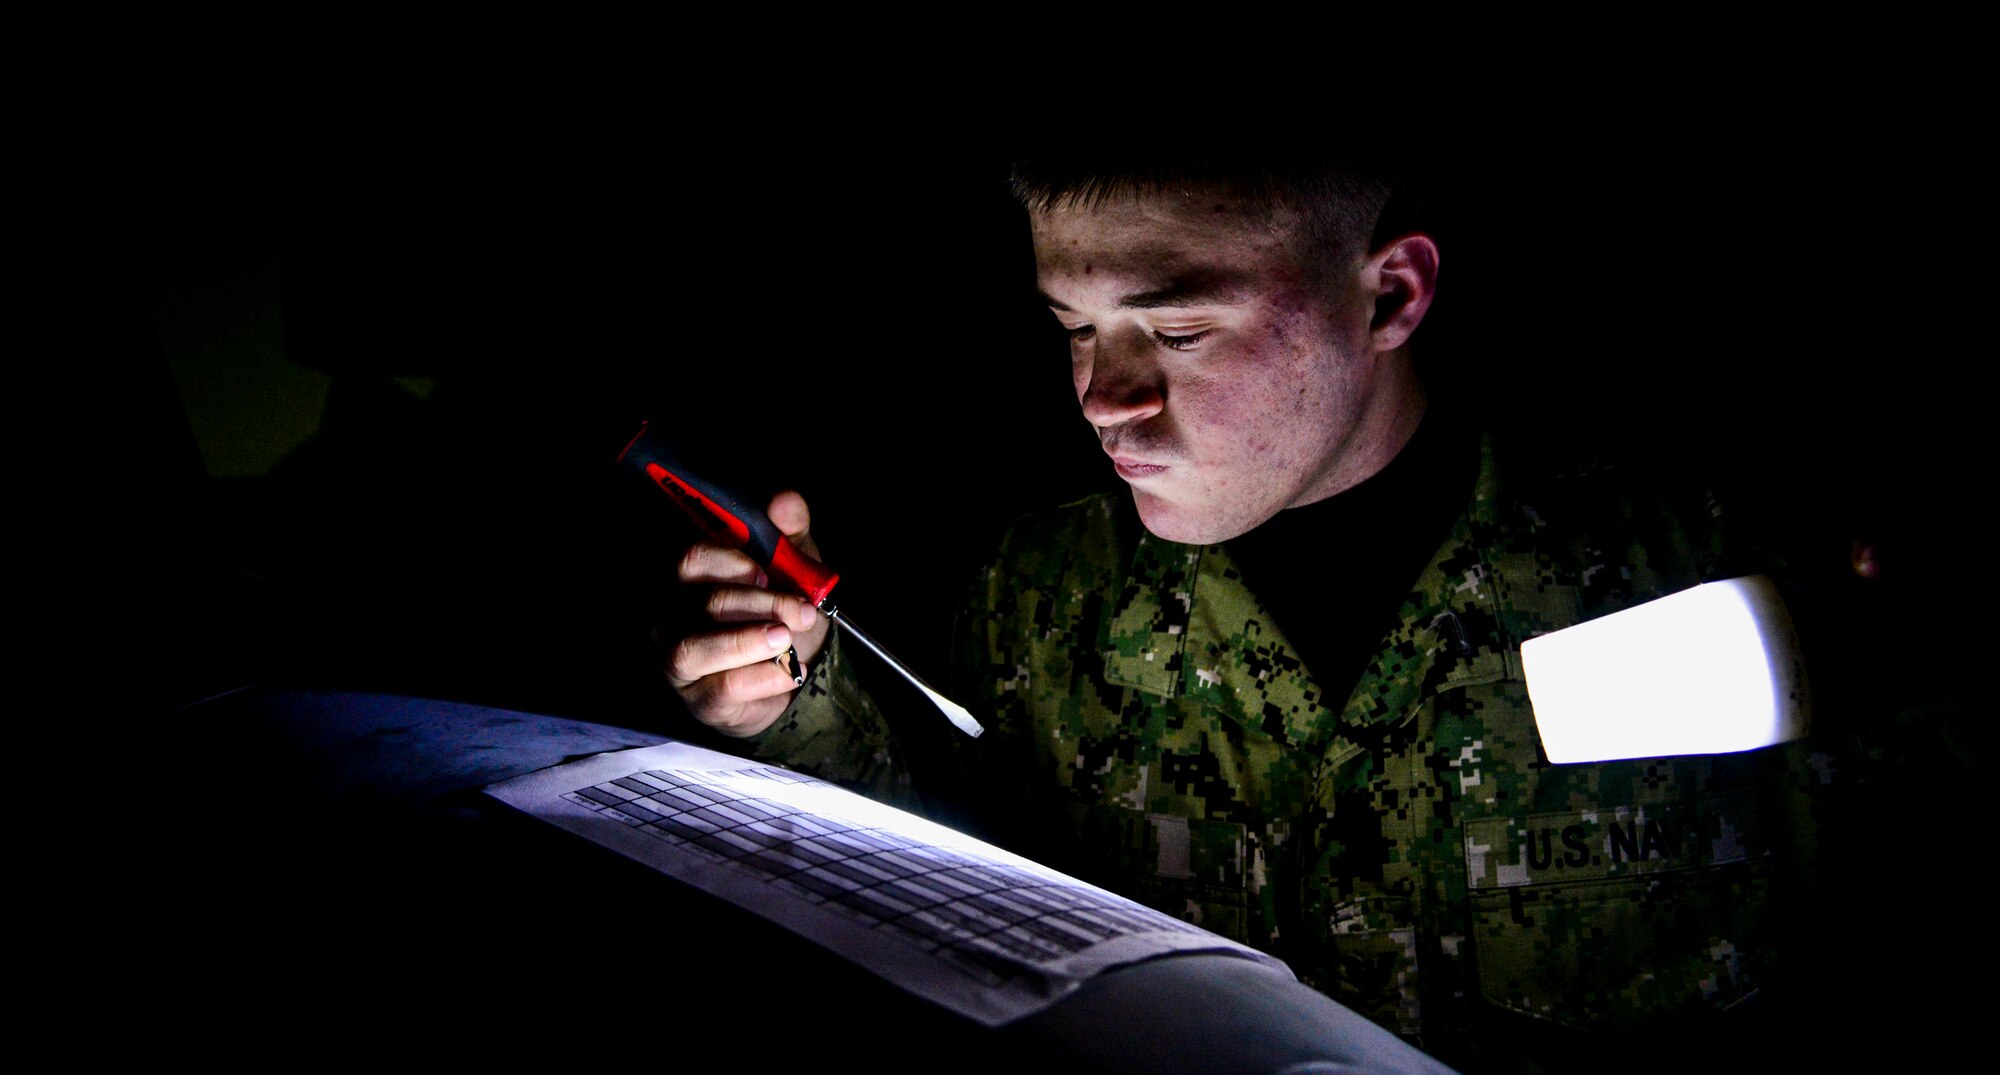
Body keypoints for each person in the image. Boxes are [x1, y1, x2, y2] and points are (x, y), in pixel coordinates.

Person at [660, 155, 1829, 1071]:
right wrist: (786, 704)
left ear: (1389, 295)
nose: (1102, 401)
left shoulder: (1706, 573)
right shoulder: (1040, 595)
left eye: (1177, 331)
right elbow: (948, 904)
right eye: (1074, 325)